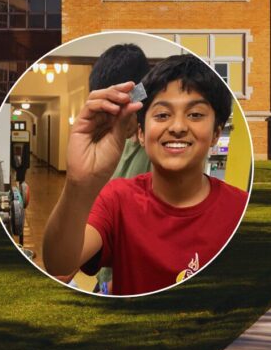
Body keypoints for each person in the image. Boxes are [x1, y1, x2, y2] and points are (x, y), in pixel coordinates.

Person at [43, 54, 248, 295]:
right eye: (162, 115)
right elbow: (59, 265)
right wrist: (78, 184)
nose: (178, 127)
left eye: (195, 114)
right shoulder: (117, 198)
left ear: (216, 133)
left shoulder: (241, 209)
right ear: (141, 133)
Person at [86, 43, 151, 293]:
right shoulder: (112, 143)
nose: (109, 117)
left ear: (136, 95)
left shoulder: (158, 151)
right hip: (105, 278)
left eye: (114, 106)